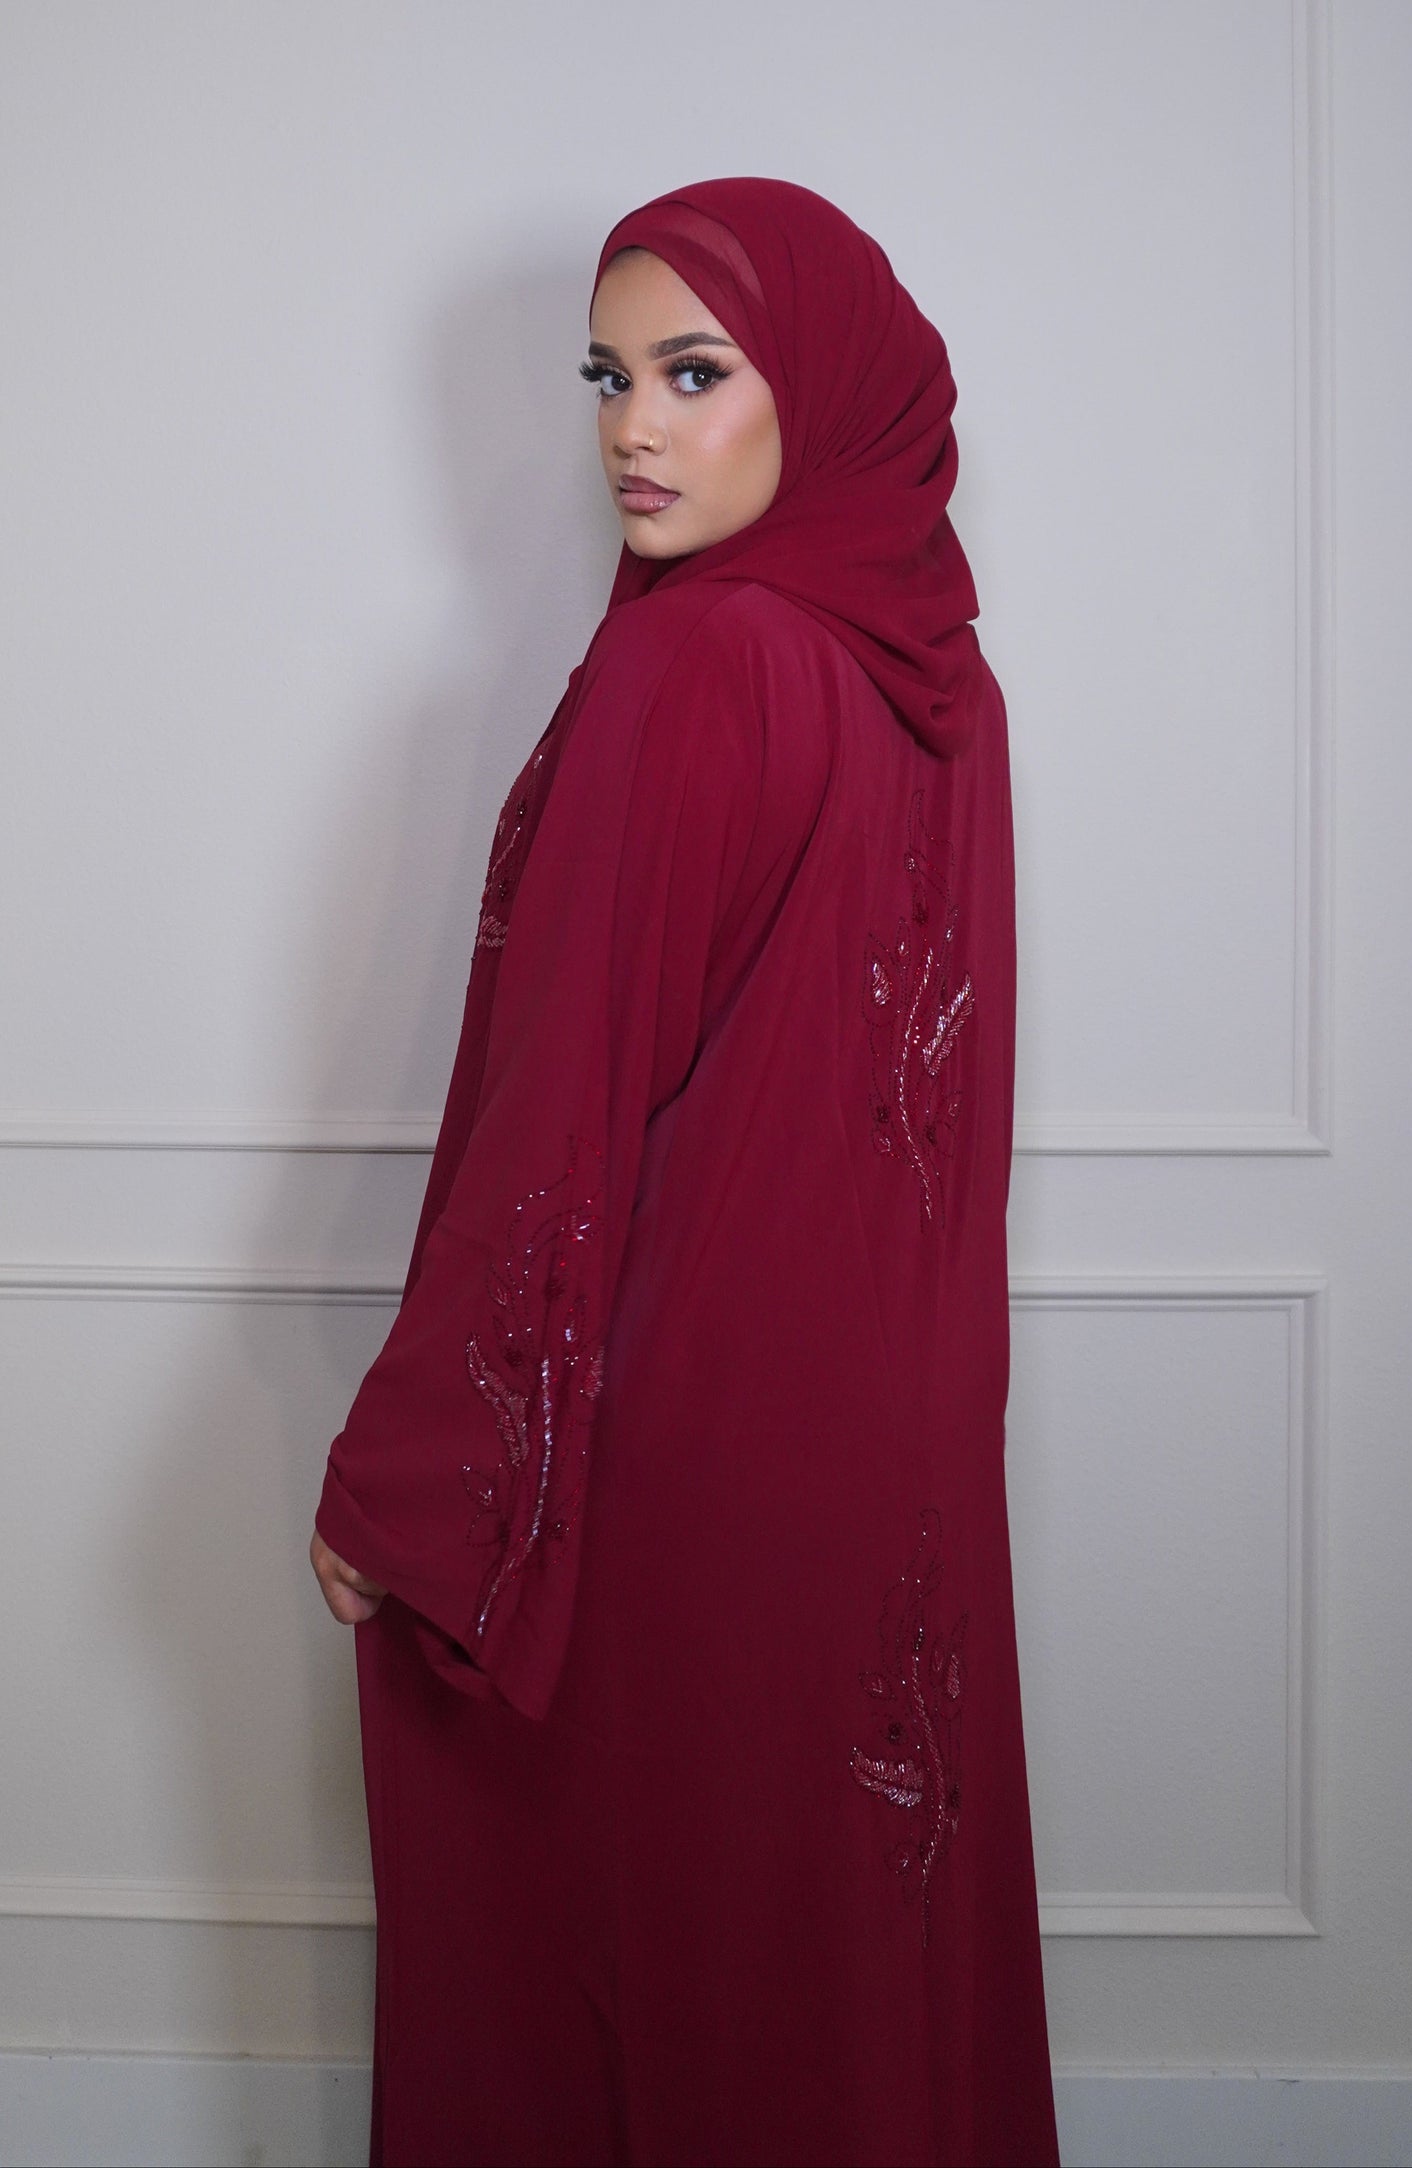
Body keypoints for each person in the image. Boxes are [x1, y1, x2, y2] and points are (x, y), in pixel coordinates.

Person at [309, 175, 1059, 2168]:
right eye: (607, 377)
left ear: (817, 386)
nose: (633, 429)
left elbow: (566, 1100)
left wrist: (415, 1484)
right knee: (823, 1934)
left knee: (637, 1936)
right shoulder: (937, 675)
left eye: (694, 374)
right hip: (889, 1439)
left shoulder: (696, 661)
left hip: (685, 1446)